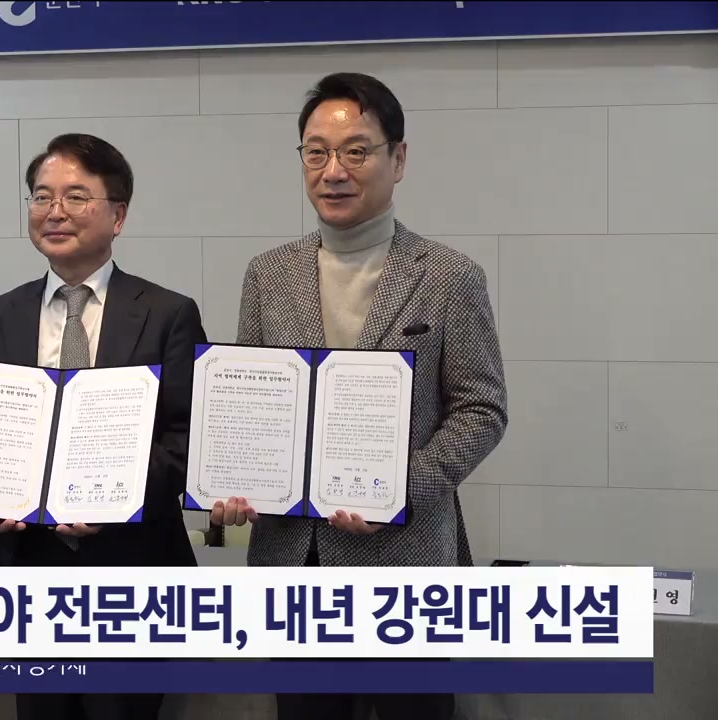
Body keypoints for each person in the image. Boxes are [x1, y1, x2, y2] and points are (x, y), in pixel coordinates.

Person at [210, 72, 508, 720]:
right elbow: (255, 408)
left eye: (355, 151)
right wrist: (233, 486)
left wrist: (399, 488)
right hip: (295, 565)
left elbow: (482, 409)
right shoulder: (268, 274)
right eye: (316, 152)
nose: (334, 171)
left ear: (397, 159)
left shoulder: (450, 276)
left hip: (405, 566)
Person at [0, 133, 206, 720]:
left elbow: (186, 439)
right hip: (26, 570)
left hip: (131, 570)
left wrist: (111, 497)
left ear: (118, 216)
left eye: (76, 196)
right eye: (41, 196)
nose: (55, 211)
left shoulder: (168, 314)